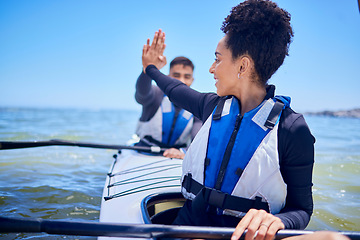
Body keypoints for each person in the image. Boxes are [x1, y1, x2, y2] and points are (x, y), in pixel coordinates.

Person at [141, 1, 316, 240]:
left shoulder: (291, 129)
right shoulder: (212, 106)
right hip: (187, 227)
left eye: (218, 59)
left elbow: (302, 209)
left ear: (242, 66)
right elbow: (173, 89)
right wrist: (150, 67)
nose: (212, 69)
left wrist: (278, 221)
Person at [135, 56, 202, 159]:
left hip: (176, 157)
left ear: (192, 80)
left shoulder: (197, 105)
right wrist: (147, 69)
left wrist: (183, 152)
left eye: (187, 77)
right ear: (167, 77)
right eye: (176, 75)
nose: (181, 81)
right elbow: (141, 94)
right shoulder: (155, 94)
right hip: (144, 152)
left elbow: (198, 140)